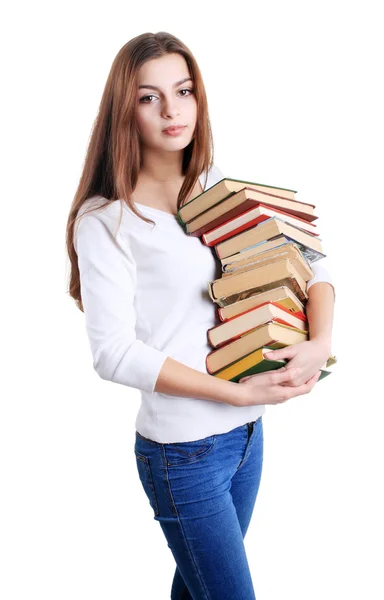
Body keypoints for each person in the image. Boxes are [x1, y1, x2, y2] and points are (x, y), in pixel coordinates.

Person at [65, 32, 335, 600]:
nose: (172, 109)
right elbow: (112, 352)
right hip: (182, 451)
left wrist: (319, 340)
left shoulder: (215, 184)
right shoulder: (108, 219)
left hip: (246, 440)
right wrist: (230, 392)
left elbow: (311, 263)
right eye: (149, 97)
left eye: (183, 90)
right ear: (124, 108)